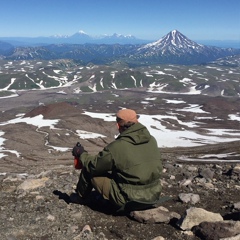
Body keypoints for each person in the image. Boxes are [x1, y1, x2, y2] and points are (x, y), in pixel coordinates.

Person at [71, 108, 162, 212]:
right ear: (137, 121)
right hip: (154, 194)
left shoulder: (117, 147)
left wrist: (81, 153)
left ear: (118, 125)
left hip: (130, 199)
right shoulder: (152, 140)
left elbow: (93, 166)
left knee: (89, 170)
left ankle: (79, 198)